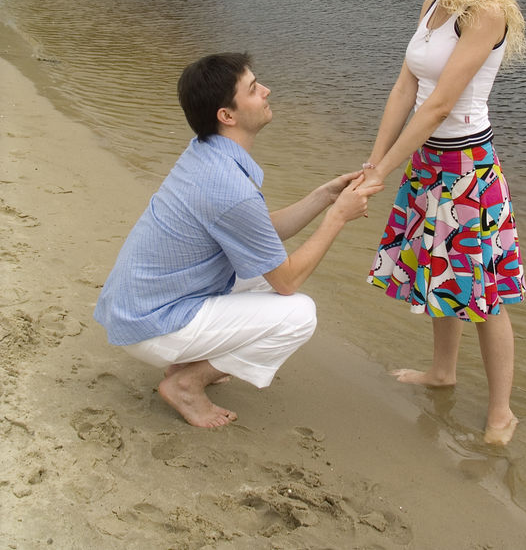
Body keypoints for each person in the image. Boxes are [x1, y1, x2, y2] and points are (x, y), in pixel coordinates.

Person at [94, 52, 380, 428]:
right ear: (227, 116)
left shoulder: (204, 152)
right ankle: (186, 382)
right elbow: (288, 279)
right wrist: (338, 217)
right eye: (253, 88)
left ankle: (185, 359)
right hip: (151, 322)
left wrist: (323, 196)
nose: (266, 90)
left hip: (138, 305)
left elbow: (257, 234)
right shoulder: (229, 189)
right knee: (297, 314)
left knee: (263, 270)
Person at [361, 0, 526, 446]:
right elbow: (404, 89)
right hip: (428, 162)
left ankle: (501, 412)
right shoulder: (434, 5)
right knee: (441, 273)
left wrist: (383, 172)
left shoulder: (486, 13)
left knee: (482, 293)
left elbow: (439, 106)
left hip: (466, 169)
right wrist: (375, 159)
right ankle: (442, 372)